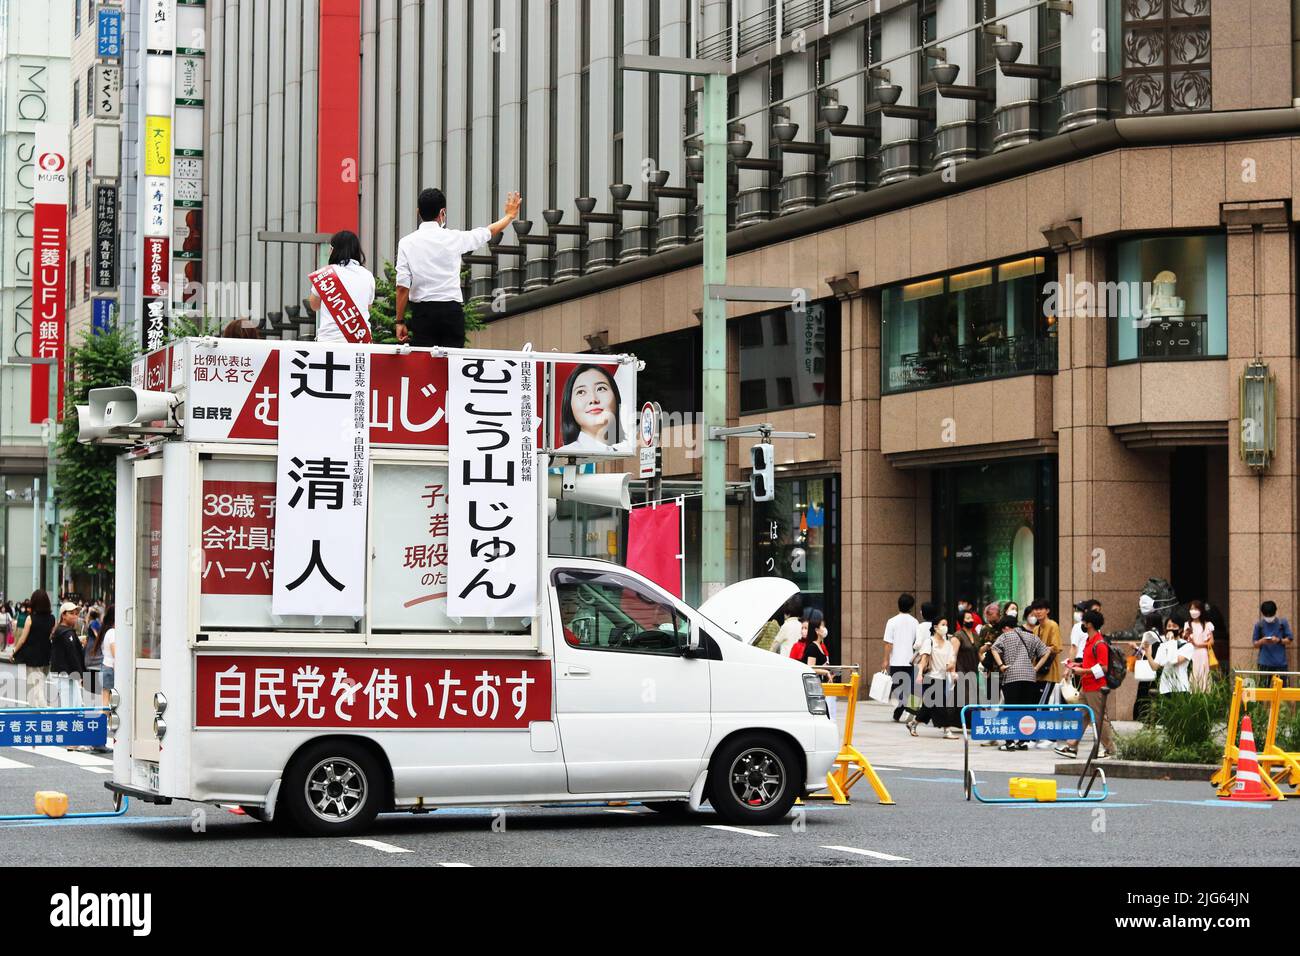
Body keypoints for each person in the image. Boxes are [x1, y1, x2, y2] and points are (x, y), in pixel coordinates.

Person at [394, 188, 521, 347]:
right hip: (451, 312)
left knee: (425, 366)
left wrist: (399, 321)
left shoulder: (406, 243)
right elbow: (488, 232)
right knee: (453, 366)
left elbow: (402, 287)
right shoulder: (455, 238)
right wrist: (509, 216)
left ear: (418, 212)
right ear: (443, 212)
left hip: (423, 314)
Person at [988, 608, 1050, 751]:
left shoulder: (1005, 636)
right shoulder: (1031, 636)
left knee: (1010, 709)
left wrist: (1001, 665)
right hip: (1029, 677)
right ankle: (1023, 741)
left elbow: (994, 649)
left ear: (1005, 627)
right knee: (1026, 709)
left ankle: (1009, 742)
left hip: (1012, 676)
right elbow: (1046, 652)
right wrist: (1035, 668)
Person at [1058, 609, 1115, 759]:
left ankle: (1110, 749)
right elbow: (1092, 663)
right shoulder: (1090, 642)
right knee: (1081, 716)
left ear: (1089, 624)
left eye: (1084, 621)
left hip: (1096, 687)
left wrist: (1083, 671)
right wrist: (1077, 666)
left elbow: (1103, 668)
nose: (1082, 624)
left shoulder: (1099, 643)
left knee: (1098, 718)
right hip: (1087, 686)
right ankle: (1072, 746)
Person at [308, 230, 376, 344]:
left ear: (332, 250)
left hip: (329, 340)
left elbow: (314, 305)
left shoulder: (325, 274)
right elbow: (367, 307)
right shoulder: (368, 275)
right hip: (359, 340)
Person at [909, 614, 960, 739]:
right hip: (930, 677)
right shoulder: (929, 642)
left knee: (929, 705)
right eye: (943, 624)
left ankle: (913, 723)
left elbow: (950, 663)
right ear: (936, 627)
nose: (945, 627)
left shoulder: (948, 644)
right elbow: (924, 660)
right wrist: (920, 674)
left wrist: (953, 672)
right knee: (940, 704)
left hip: (942, 678)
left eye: (946, 624)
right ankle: (947, 730)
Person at [556, 365, 625, 452]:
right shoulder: (563, 455)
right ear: (569, 404)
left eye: (600, 389)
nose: (593, 399)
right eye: (581, 392)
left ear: (616, 397)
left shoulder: (626, 451)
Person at [880, 593, 919, 722]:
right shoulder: (915, 622)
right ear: (911, 607)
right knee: (912, 689)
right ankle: (910, 710)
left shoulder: (891, 622)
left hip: (896, 661)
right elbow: (917, 643)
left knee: (897, 690)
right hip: (911, 661)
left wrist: (885, 660)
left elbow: (888, 643)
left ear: (898, 605)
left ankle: (902, 711)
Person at [12, 589, 54, 705]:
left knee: (35, 686)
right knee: (40, 684)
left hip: (32, 656)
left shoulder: (30, 619)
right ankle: (36, 709)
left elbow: (22, 639)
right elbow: (50, 636)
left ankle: (40, 710)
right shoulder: (52, 618)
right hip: (46, 654)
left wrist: (14, 651)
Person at [49, 602, 86, 709]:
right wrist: (81, 674)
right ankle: (65, 725)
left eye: (76, 613)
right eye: (71, 613)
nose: (75, 616)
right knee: (69, 707)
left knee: (76, 704)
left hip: (66, 673)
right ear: (63, 615)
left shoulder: (62, 630)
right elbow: (72, 655)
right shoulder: (66, 633)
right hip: (64, 673)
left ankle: (70, 724)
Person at [1028, 599, 1062, 706]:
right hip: (1037, 672)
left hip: (1049, 671)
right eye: (1035, 609)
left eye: (1041, 609)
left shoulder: (1053, 625)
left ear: (1047, 610)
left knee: (1041, 704)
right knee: (1037, 703)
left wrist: (1042, 649)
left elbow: (1056, 647)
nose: (1038, 612)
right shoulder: (1036, 629)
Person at [1132, 612, 1163, 721]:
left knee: (1144, 693)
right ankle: (1157, 717)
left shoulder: (1148, 635)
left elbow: (1142, 651)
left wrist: (1136, 648)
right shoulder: (1162, 636)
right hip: (1159, 667)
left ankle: (1143, 716)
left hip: (1148, 667)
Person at [1252, 600, 1293, 679]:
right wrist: (1262, 641)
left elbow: (1290, 640)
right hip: (1264, 663)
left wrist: (1278, 640)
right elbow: (1255, 644)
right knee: (1265, 689)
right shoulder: (1259, 625)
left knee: (1283, 689)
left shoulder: (1282, 623)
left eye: (1270, 615)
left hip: (1280, 664)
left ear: (1275, 612)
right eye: (1266, 615)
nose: (1269, 617)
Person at [1153, 617, 1193, 697]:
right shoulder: (1163, 645)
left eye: (1174, 626)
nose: (1171, 629)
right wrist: (1147, 652)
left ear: (1180, 629)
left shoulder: (1188, 646)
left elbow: (1174, 661)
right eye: (1169, 626)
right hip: (1165, 687)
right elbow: (1157, 665)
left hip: (1181, 687)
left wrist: (1170, 640)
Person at [1182, 599, 1215, 692]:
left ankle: (1205, 693)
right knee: (1193, 673)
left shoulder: (1207, 625)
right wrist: (1186, 635)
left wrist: (1198, 644)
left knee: (1204, 674)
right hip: (1191, 653)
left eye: (1196, 609)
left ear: (1201, 610)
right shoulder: (1187, 625)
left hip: (1203, 654)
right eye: (1191, 609)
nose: (1193, 611)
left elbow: (1211, 641)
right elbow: (1184, 640)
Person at [99, 606, 117, 708]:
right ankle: (104, 722)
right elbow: (116, 655)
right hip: (110, 669)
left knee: (106, 700)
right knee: (107, 701)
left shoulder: (108, 632)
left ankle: (104, 721)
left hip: (106, 667)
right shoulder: (113, 633)